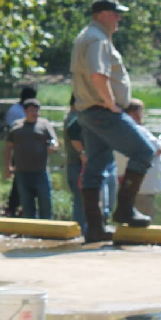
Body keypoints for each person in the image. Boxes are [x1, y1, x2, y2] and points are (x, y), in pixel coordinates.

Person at [71, 0, 155, 242]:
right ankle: (125, 210)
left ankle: (95, 227)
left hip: (88, 112)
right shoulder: (97, 39)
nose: (119, 18)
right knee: (144, 151)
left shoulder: (85, 36)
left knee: (95, 166)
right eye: (115, 13)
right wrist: (111, 104)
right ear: (101, 14)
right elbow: (98, 74)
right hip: (102, 112)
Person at [4, 99, 59, 219]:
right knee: (27, 207)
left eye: (37, 110)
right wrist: (7, 166)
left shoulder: (44, 125)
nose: (34, 113)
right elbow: (9, 148)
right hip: (22, 172)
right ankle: (31, 234)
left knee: (46, 205)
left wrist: (53, 146)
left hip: (41, 172)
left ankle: (48, 231)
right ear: (25, 111)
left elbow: (54, 140)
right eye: (31, 110)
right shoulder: (16, 126)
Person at [114, 98, 161, 217]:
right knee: (143, 218)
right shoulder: (136, 130)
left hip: (130, 183)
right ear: (134, 114)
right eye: (141, 112)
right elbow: (157, 149)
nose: (142, 116)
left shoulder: (119, 130)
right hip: (143, 186)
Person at [64, 96, 87, 233]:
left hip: (73, 164)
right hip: (78, 165)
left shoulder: (70, 117)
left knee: (79, 201)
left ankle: (81, 231)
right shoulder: (75, 119)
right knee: (81, 202)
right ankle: (81, 232)